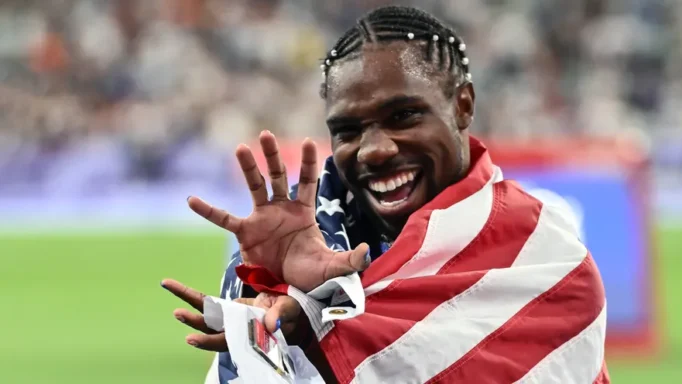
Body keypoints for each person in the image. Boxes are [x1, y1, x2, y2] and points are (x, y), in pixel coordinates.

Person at [162, 5, 610, 384]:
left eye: (404, 115)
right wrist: (278, 302)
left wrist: (327, 329)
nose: (375, 150)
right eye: (348, 130)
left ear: (463, 106)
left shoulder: (542, 254)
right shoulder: (289, 252)